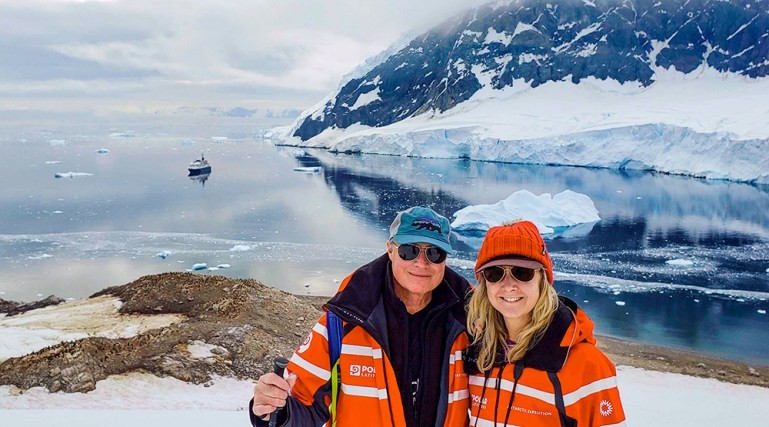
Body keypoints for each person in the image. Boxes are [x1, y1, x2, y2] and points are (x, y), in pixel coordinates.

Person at [250, 206, 472, 427]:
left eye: (435, 253)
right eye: (409, 251)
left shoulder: (471, 321)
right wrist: (271, 408)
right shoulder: (345, 319)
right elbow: (301, 404)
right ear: (390, 250)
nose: (422, 263)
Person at [465, 220, 626, 426]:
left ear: (543, 279)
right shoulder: (479, 354)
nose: (508, 286)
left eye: (522, 272)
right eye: (495, 273)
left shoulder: (586, 365)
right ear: (484, 282)